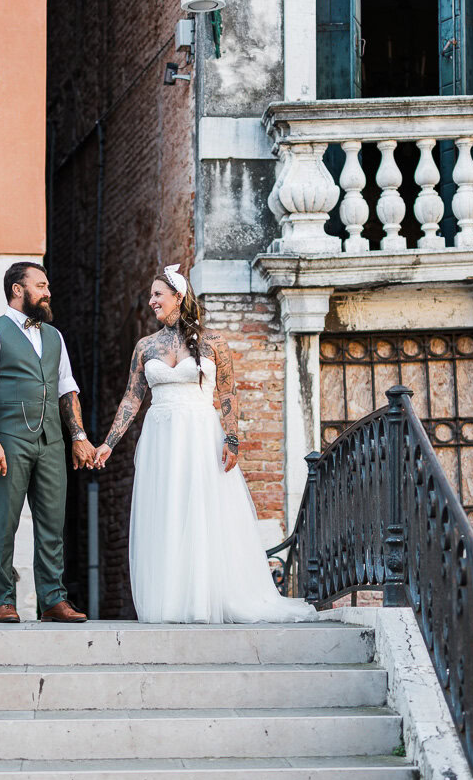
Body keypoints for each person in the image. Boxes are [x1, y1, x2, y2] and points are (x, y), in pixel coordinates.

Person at [93, 266, 318, 624]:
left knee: (200, 509)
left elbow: (227, 393)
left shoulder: (214, 343)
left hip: (199, 432)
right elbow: (131, 399)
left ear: (178, 297)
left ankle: (204, 599)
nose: (151, 301)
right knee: (167, 512)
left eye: (157, 295)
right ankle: (173, 601)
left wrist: (232, 438)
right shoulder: (145, 346)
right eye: (151, 295)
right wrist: (108, 444)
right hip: (160, 436)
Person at [0, 262, 95, 622]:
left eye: (47, 285)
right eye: (40, 285)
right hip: (9, 440)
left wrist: (79, 437)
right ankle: (3, 600)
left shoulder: (55, 336)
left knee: (53, 522)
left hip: (52, 440)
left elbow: (67, 388)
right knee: (4, 521)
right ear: (17, 290)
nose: (48, 292)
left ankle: (53, 600)